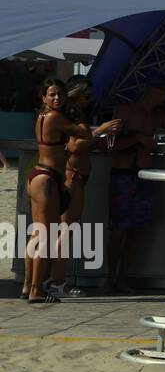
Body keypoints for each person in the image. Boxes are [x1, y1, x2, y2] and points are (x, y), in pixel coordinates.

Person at [24, 78, 121, 303]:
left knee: (39, 234)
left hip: (42, 175)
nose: (57, 98)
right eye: (53, 94)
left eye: (60, 94)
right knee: (51, 234)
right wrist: (102, 129)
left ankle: (30, 285)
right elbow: (79, 140)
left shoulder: (44, 116)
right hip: (52, 177)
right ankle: (40, 288)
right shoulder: (57, 117)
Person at [106, 76, 165, 294]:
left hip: (144, 175)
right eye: (164, 91)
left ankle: (122, 278)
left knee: (136, 231)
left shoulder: (158, 116)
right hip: (122, 175)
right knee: (119, 230)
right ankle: (110, 278)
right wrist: (138, 138)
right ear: (151, 91)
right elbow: (110, 144)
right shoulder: (125, 111)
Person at [48, 75, 103, 298]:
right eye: (86, 97)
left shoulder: (70, 116)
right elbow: (73, 147)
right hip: (73, 176)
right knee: (66, 230)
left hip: (75, 175)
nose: (89, 101)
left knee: (65, 230)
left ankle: (54, 280)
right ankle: (57, 282)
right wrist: (99, 131)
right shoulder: (68, 117)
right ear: (76, 96)